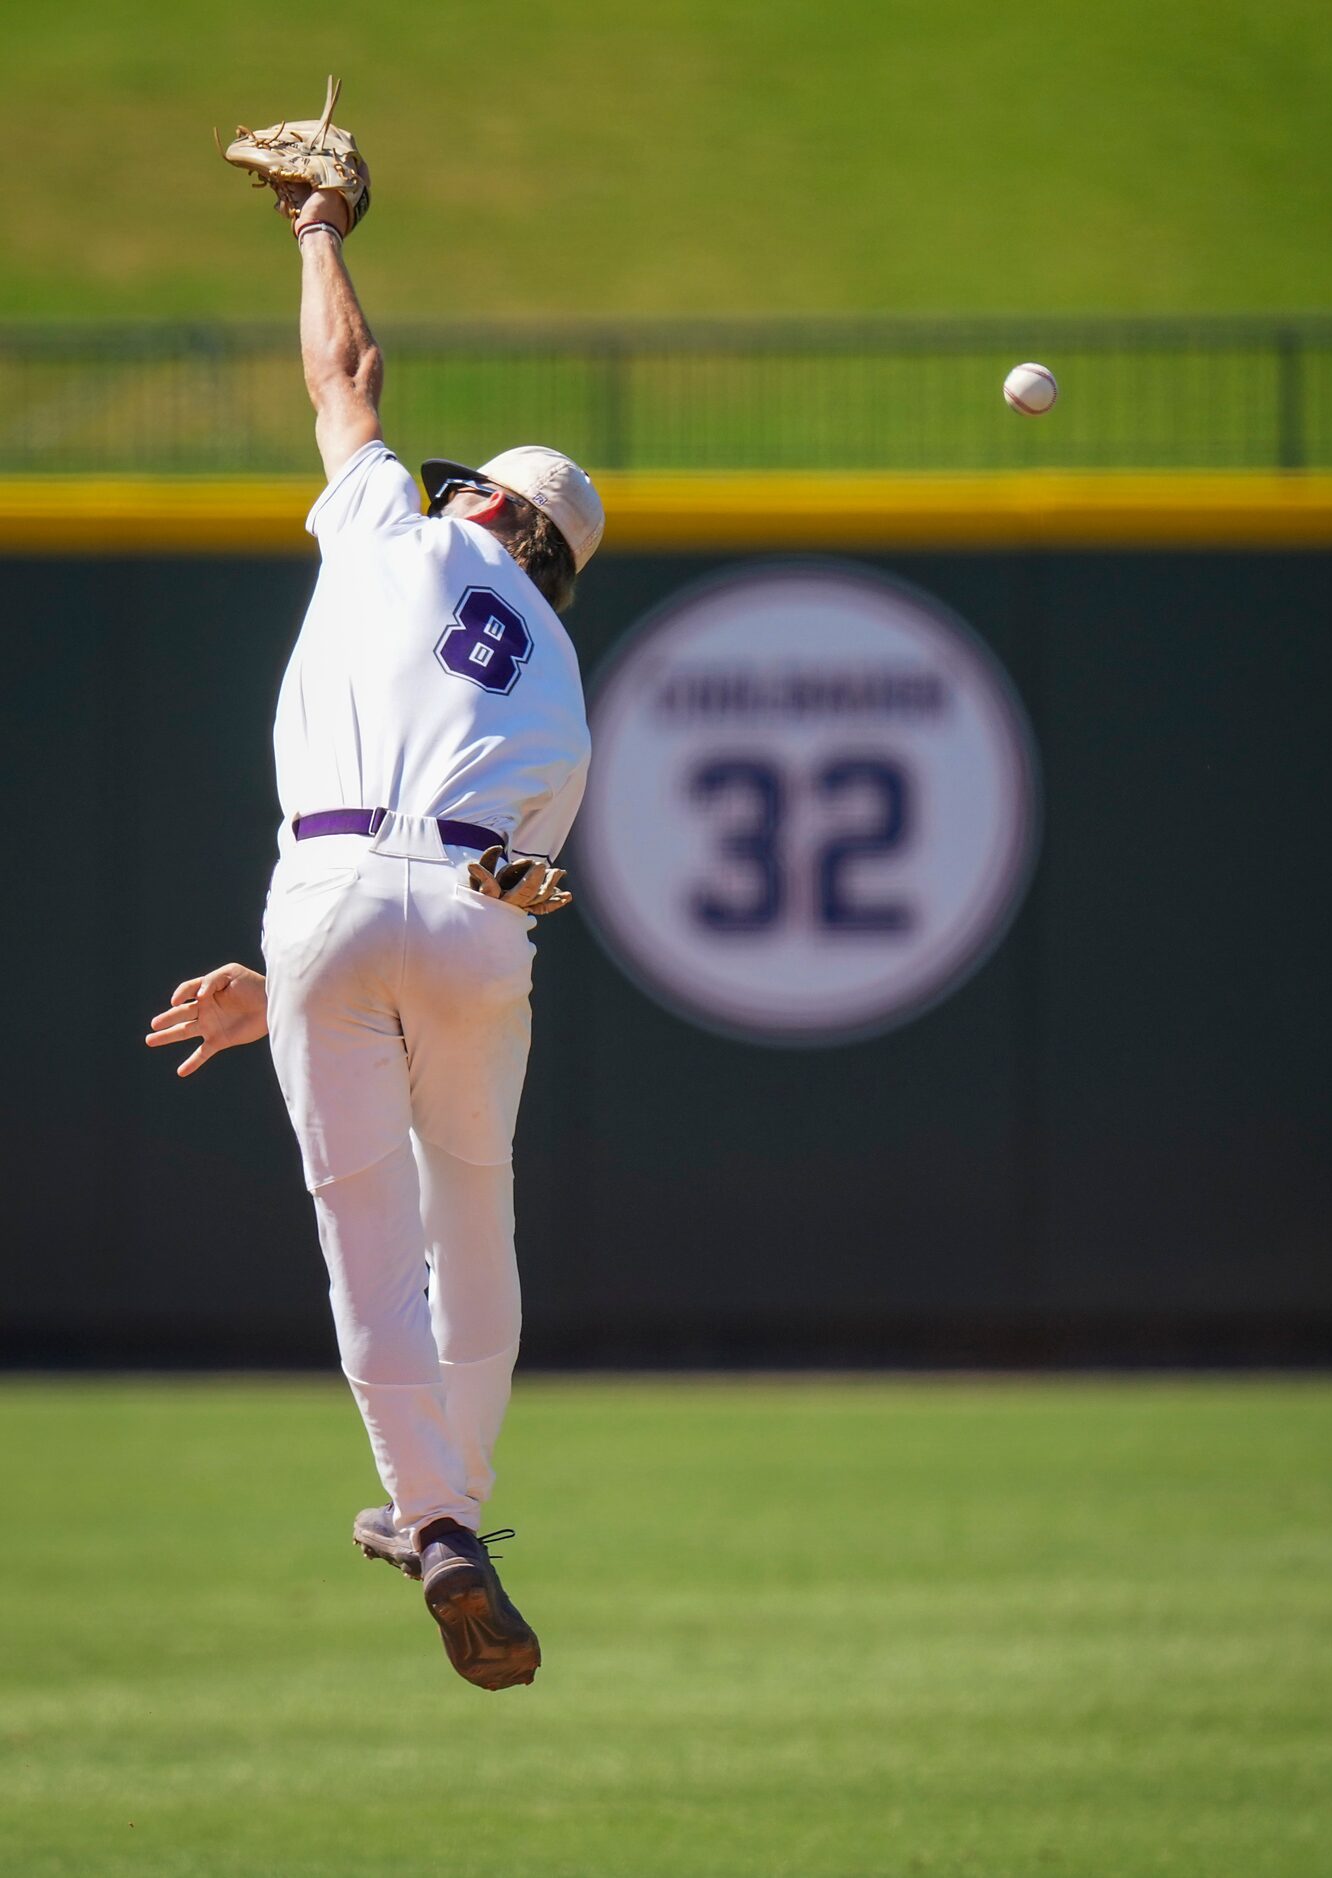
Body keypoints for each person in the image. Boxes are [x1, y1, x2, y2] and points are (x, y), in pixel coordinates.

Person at [146, 180, 603, 1692]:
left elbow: (346, 377)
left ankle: (431, 1515)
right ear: (556, 566)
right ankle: (449, 1510)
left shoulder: (390, 531)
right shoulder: (565, 693)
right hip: (477, 910)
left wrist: (315, 229)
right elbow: (522, 889)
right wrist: (480, 914)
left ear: (486, 507)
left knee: (363, 1235)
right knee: (471, 1217)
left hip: (325, 892)